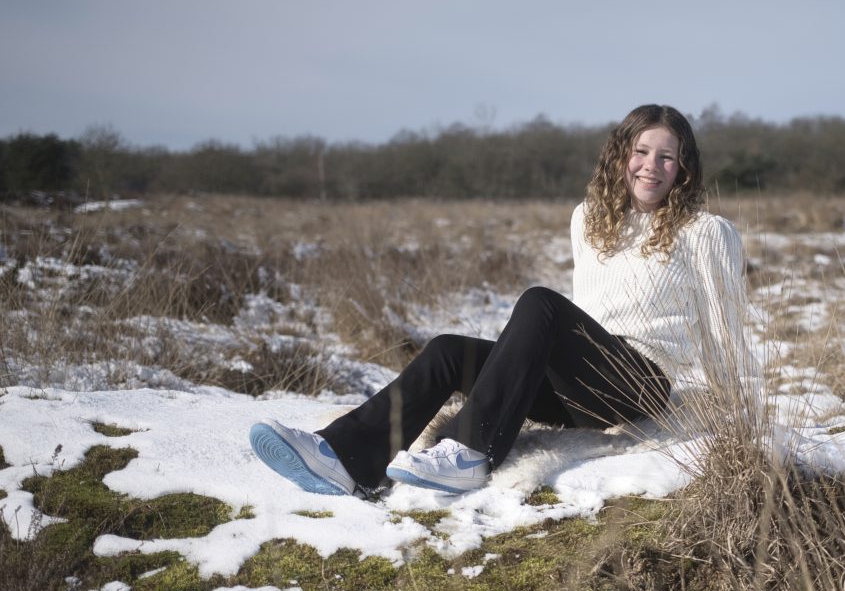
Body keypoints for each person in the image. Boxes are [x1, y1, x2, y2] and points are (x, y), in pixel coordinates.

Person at [249, 104, 760, 496]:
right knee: (449, 351)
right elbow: (589, 316)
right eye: (642, 152)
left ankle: (471, 452)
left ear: (683, 168)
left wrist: (735, 419)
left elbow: (725, 327)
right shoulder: (589, 219)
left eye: (667, 156)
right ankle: (345, 458)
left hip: (640, 382)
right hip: (582, 385)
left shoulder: (706, 231)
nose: (652, 166)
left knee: (541, 303)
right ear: (620, 156)